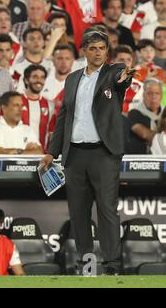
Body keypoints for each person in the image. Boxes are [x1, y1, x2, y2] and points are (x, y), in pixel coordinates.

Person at [40, 29, 135, 275]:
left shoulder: (113, 72)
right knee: (78, 212)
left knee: (106, 210)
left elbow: (121, 78)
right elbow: (63, 117)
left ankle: (112, 264)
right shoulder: (72, 78)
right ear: (84, 51)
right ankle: (86, 264)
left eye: (102, 48)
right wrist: (52, 152)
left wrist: (125, 77)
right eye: (92, 48)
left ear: (107, 51)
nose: (97, 52)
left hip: (104, 153)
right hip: (75, 155)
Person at [127, 78, 164, 154]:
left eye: (157, 93)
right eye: (150, 93)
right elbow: (145, 135)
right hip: (140, 159)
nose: (154, 97)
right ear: (143, 95)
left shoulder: (164, 112)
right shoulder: (134, 113)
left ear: (161, 96)